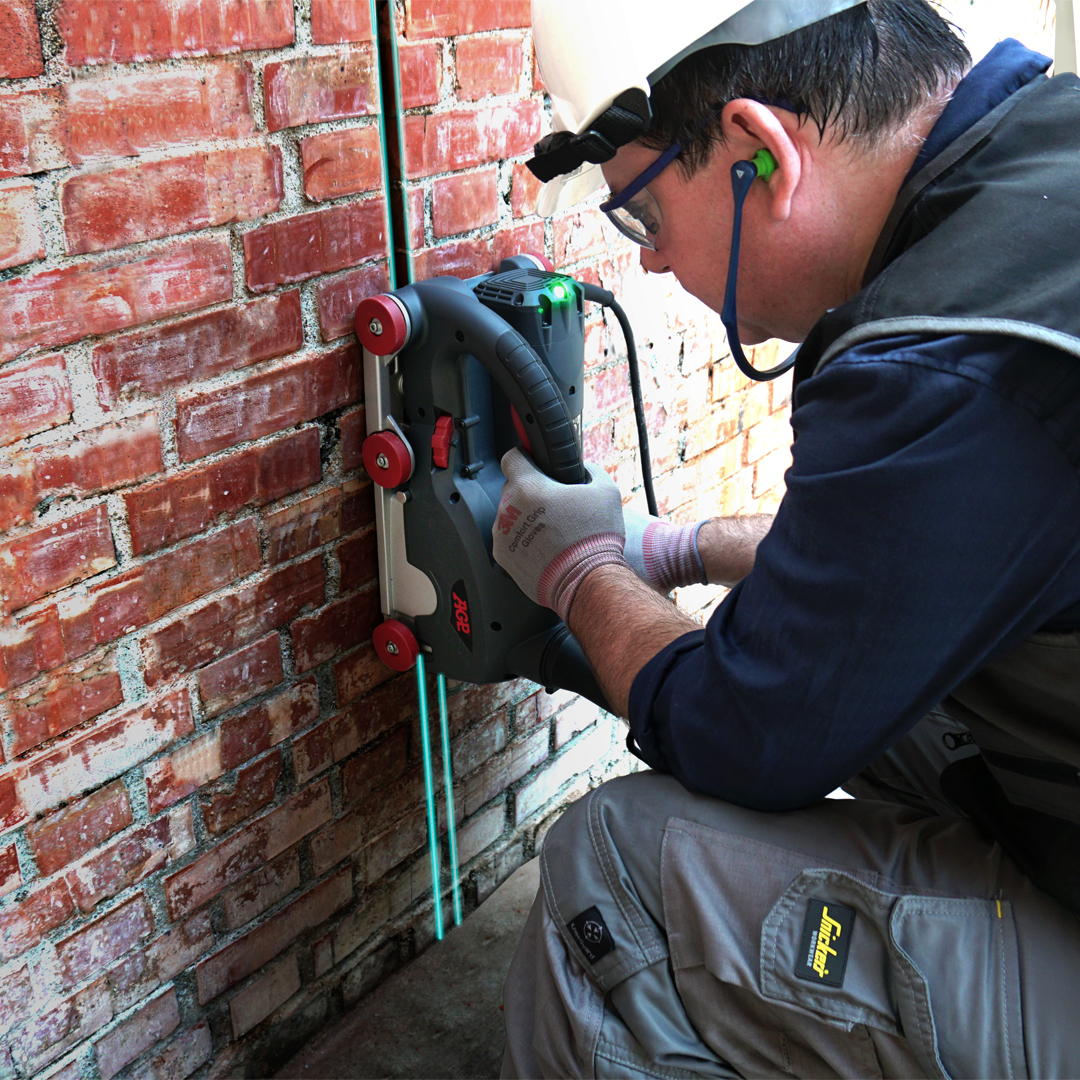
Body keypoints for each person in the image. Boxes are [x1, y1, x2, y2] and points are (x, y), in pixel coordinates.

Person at [491, 1, 1080, 1076]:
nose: (650, 265)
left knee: (610, 870)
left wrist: (580, 573)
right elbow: (918, 567)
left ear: (760, 151)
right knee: (897, 703)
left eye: (642, 215)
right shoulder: (1043, 174)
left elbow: (747, 733)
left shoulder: (947, 355)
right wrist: (683, 550)